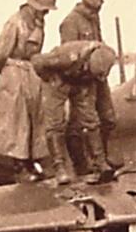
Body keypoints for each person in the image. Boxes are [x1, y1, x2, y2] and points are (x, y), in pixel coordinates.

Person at [0, 0, 55, 181]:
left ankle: (33, 163)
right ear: (34, 6)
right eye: (44, 10)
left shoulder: (39, 23)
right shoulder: (15, 22)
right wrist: (8, 72)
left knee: (35, 118)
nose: (46, 13)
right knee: (16, 120)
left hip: (31, 73)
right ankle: (19, 167)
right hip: (14, 73)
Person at [31, 41, 118, 185]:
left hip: (82, 82)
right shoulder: (67, 57)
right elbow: (37, 62)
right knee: (55, 124)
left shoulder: (106, 55)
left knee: (91, 120)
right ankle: (60, 168)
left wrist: (90, 77)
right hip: (58, 80)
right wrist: (49, 78)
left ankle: (100, 163)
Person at [59, 0, 117, 171]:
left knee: (108, 118)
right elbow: (68, 55)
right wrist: (81, 75)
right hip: (82, 81)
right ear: (86, 4)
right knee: (83, 123)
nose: (97, 9)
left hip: (98, 77)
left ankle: (102, 157)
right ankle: (85, 163)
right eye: (95, 6)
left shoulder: (93, 19)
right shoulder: (70, 22)